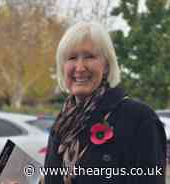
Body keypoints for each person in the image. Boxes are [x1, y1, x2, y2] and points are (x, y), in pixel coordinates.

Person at [44, 21, 166, 184]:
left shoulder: (140, 119)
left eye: (90, 56)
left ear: (106, 65)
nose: (79, 67)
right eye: (71, 58)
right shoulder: (62, 124)